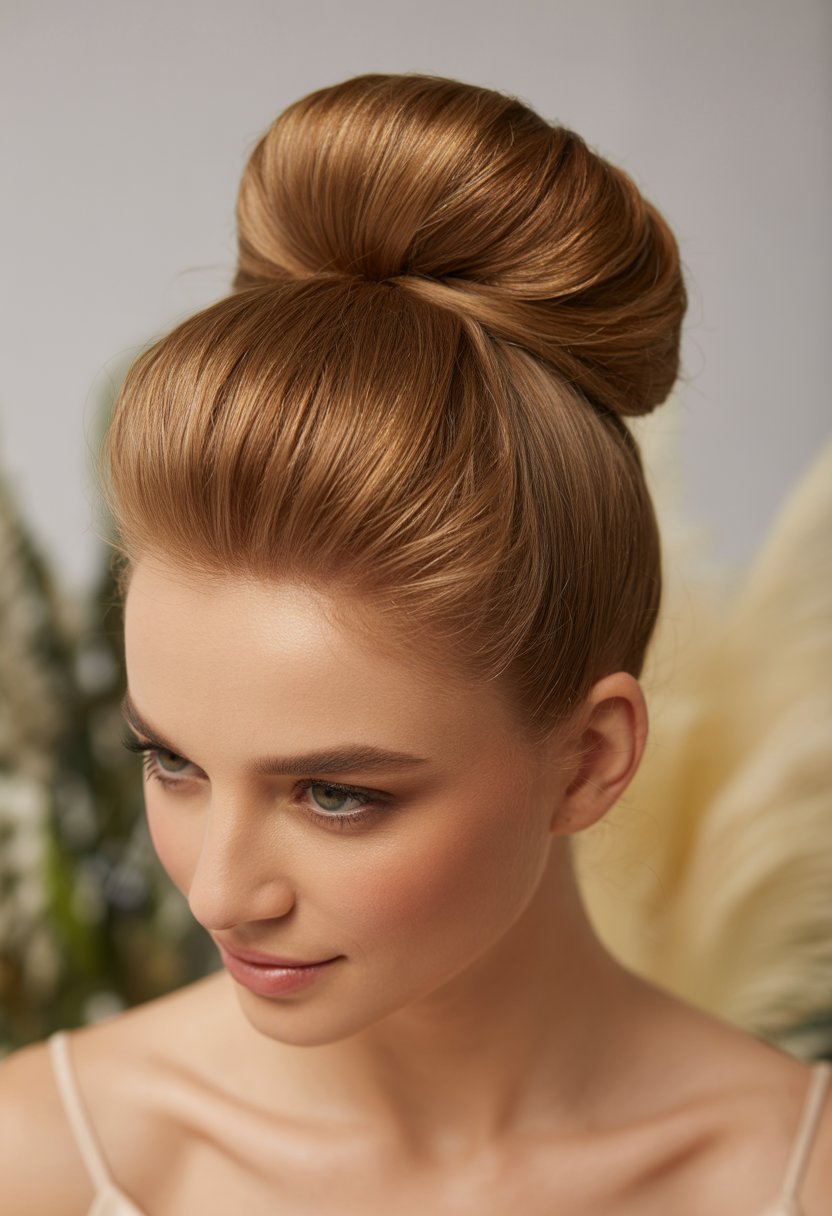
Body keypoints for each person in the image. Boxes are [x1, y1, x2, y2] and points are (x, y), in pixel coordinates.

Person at [1, 73, 829, 1215]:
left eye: (335, 792)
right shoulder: (36, 1159)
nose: (221, 893)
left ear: (589, 758)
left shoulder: (796, 1176)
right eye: (172, 761)